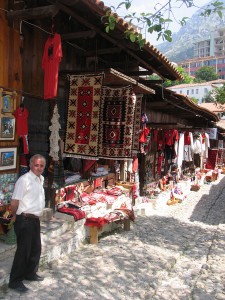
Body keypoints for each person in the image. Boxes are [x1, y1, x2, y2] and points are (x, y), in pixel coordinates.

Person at [8, 154, 46, 293]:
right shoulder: (24, 180)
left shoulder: (40, 179)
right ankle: (15, 281)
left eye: (41, 165)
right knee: (23, 252)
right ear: (30, 165)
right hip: (24, 219)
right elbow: (14, 202)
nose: (39, 168)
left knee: (36, 248)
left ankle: (30, 273)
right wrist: (14, 216)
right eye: (36, 165)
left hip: (35, 219)